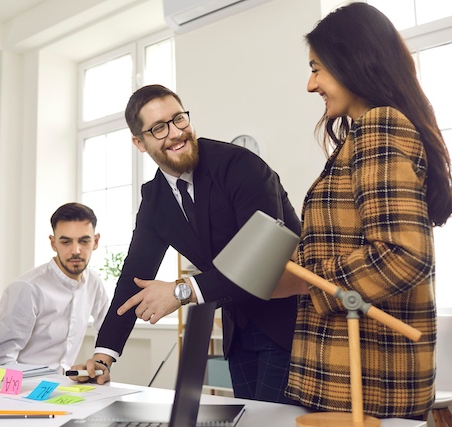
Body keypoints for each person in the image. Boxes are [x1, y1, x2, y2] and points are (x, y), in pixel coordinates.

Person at [273, 3, 452, 420]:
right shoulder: (362, 135)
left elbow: (404, 255)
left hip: (364, 382)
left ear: (352, 61)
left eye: (317, 68)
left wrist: (305, 280)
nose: (311, 84)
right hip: (350, 376)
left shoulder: (380, 126)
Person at [71, 84, 301, 404]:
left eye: (179, 119)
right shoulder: (154, 199)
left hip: (291, 326)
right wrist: (102, 356)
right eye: (159, 128)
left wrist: (182, 291)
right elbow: (133, 280)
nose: (175, 133)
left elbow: (263, 257)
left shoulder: (240, 166)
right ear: (139, 142)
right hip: (240, 333)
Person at [0, 203, 110, 374]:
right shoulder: (27, 288)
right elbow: (1, 359)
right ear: (53, 244)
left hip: (66, 384)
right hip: (25, 388)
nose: (76, 250)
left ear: (96, 241)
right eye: (66, 242)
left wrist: (99, 365)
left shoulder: (94, 282)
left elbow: (107, 327)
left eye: (84, 241)